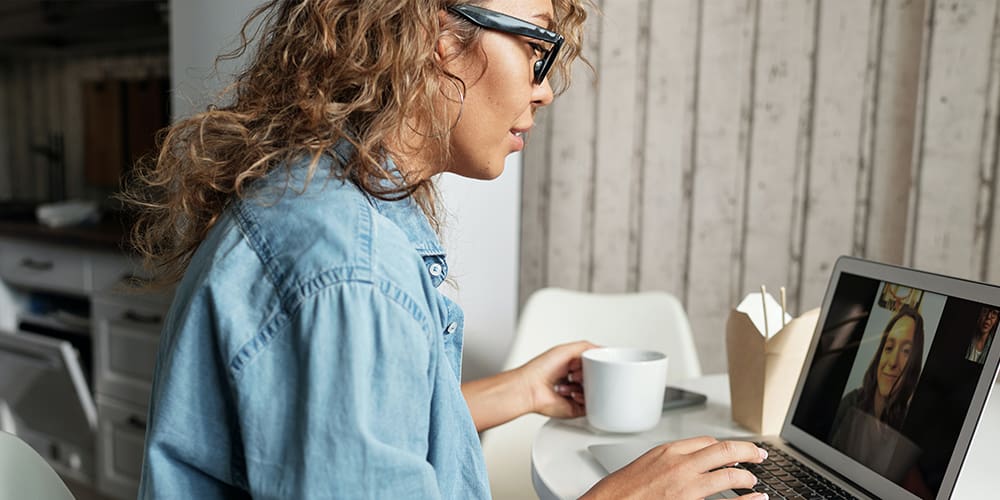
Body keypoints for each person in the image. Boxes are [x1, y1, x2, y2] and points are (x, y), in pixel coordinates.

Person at [123, 1, 768, 498]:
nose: (545, 89)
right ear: (438, 34)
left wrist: (516, 391)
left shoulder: (323, 202)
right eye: (538, 43)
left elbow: (349, 434)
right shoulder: (350, 270)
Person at [829, 305, 925, 480]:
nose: (892, 362)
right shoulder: (850, 403)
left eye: (906, 351)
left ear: (914, 363)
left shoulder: (908, 428)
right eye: (889, 348)